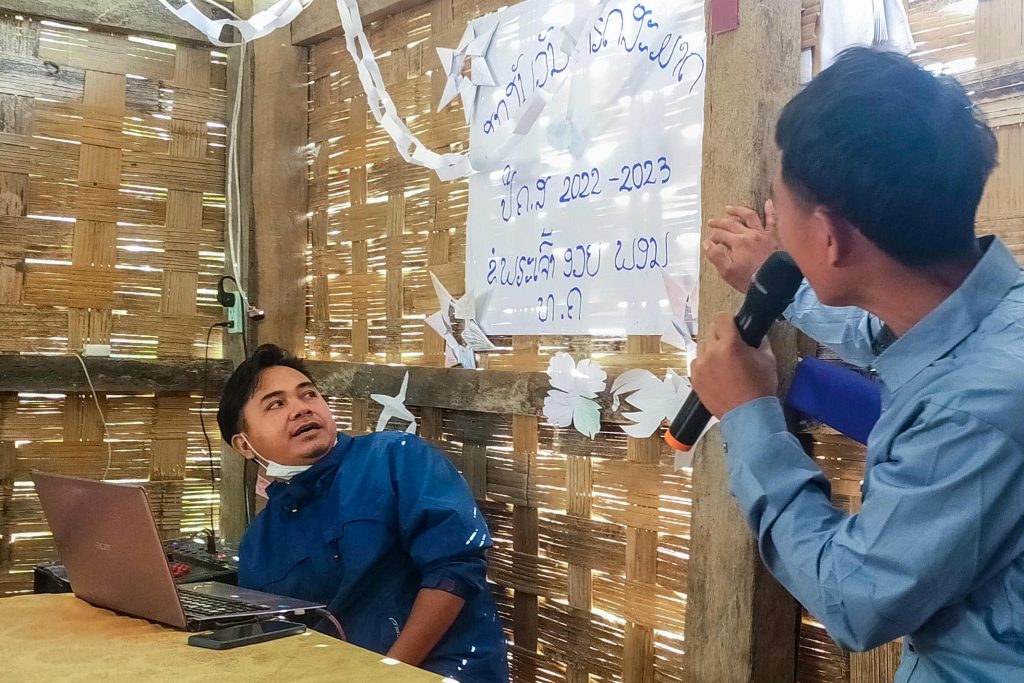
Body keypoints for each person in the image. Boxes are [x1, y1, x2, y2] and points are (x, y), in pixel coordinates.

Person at [693, 47, 1024, 682]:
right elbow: (890, 330)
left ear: (830, 238)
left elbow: (857, 597)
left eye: (777, 207)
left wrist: (748, 417)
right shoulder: (988, 315)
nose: (773, 228)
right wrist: (777, 281)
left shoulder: (973, 411)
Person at [216, 344, 509, 683]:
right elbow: (282, 644)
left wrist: (388, 673)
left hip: (443, 671)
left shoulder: (396, 458)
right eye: (276, 404)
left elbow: (454, 571)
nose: (300, 409)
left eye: (309, 395)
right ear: (244, 444)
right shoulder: (258, 544)